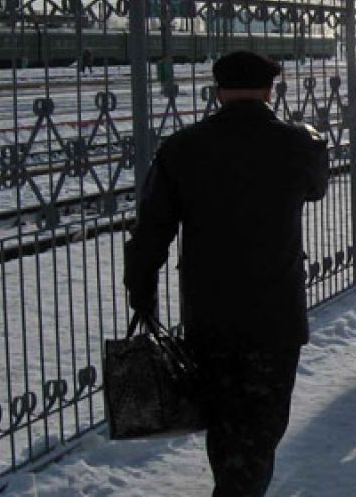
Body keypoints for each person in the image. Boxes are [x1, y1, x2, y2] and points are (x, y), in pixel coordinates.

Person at [124, 50, 329, 497]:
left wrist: (142, 291)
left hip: (209, 312)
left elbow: (151, 232)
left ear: (217, 91)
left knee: (223, 422)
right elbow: (317, 188)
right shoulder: (297, 144)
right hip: (275, 313)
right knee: (263, 424)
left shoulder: (181, 147)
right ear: (270, 90)